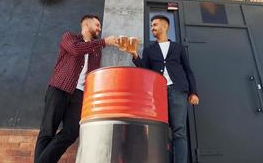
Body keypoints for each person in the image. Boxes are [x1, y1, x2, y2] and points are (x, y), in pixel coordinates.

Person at [34, 15, 118, 163]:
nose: (99, 28)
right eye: (97, 25)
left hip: (80, 95)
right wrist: (104, 42)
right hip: (59, 88)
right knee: (47, 131)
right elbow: (76, 50)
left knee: (72, 132)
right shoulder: (70, 38)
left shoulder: (96, 50)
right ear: (86, 24)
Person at [128, 15, 199, 163]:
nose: (152, 28)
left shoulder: (178, 47)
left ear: (165, 26)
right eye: (151, 25)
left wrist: (193, 92)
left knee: (179, 130)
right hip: (157, 93)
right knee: (161, 129)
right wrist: (135, 54)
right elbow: (145, 70)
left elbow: (188, 70)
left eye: (155, 25)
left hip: (178, 90)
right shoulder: (149, 50)